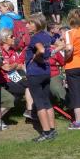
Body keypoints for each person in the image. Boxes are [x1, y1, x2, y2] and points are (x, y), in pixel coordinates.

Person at [25, 13, 56, 141]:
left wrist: (36, 57)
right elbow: (61, 44)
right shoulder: (47, 35)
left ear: (37, 24)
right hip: (45, 72)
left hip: (35, 73)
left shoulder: (35, 38)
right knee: (47, 101)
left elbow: (41, 50)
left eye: (30, 23)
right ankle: (52, 130)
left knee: (39, 103)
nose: (27, 25)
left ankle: (46, 132)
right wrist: (51, 54)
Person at [0, 27, 35, 119]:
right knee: (29, 86)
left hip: (14, 78)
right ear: (4, 39)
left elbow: (20, 65)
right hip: (4, 81)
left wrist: (13, 65)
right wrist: (15, 65)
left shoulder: (12, 51)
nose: (14, 38)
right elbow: (7, 68)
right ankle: (29, 110)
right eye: (11, 36)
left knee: (32, 84)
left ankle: (29, 111)